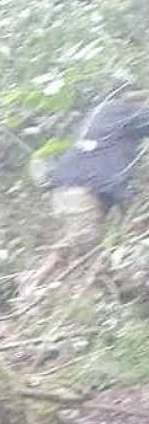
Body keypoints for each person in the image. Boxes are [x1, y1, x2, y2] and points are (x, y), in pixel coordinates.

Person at [26, 90, 149, 295]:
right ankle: (40, 288)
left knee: (74, 244)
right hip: (81, 191)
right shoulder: (124, 113)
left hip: (70, 188)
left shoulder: (105, 114)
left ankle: (36, 281)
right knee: (84, 248)